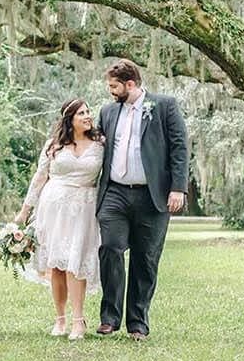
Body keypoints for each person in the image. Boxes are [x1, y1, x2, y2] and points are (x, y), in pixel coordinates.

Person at [95, 58, 189, 340]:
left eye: (114, 86)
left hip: (152, 196)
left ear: (130, 84)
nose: (110, 91)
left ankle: (137, 322)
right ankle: (109, 317)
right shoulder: (108, 112)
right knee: (111, 248)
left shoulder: (163, 106)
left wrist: (178, 188)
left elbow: (180, 148)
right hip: (114, 193)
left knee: (145, 259)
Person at [16, 98, 103, 340]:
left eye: (88, 112)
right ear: (69, 119)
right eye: (81, 113)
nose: (87, 116)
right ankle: (60, 318)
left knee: (76, 262)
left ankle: (78, 320)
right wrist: (24, 212)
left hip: (84, 207)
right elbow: (39, 178)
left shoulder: (100, 145)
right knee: (56, 264)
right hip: (53, 207)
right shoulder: (53, 146)